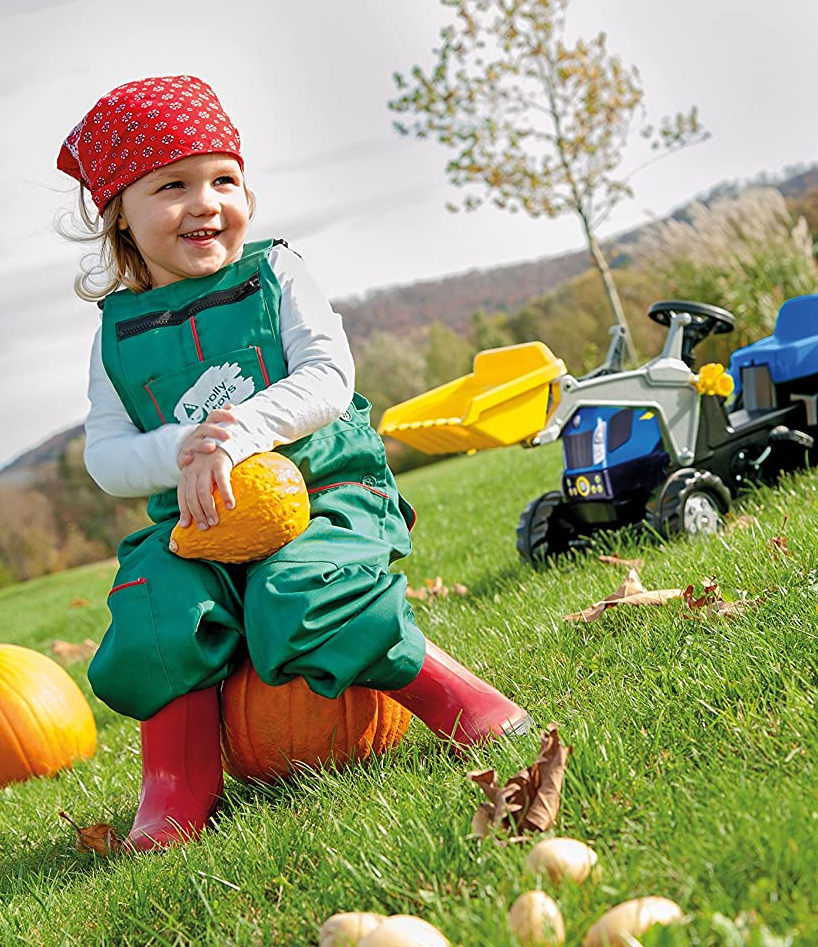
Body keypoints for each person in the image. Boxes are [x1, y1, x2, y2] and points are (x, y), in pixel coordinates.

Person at [57, 76, 533, 853]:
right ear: (120, 219)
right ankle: (176, 784)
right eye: (172, 186)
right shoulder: (116, 335)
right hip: (202, 521)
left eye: (224, 179)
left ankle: (456, 697)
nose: (206, 201)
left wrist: (239, 429)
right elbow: (106, 457)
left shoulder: (276, 275)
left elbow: (325, 377)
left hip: (326, 488)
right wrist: (185, 448)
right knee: (154, 607)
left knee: (303, 588)